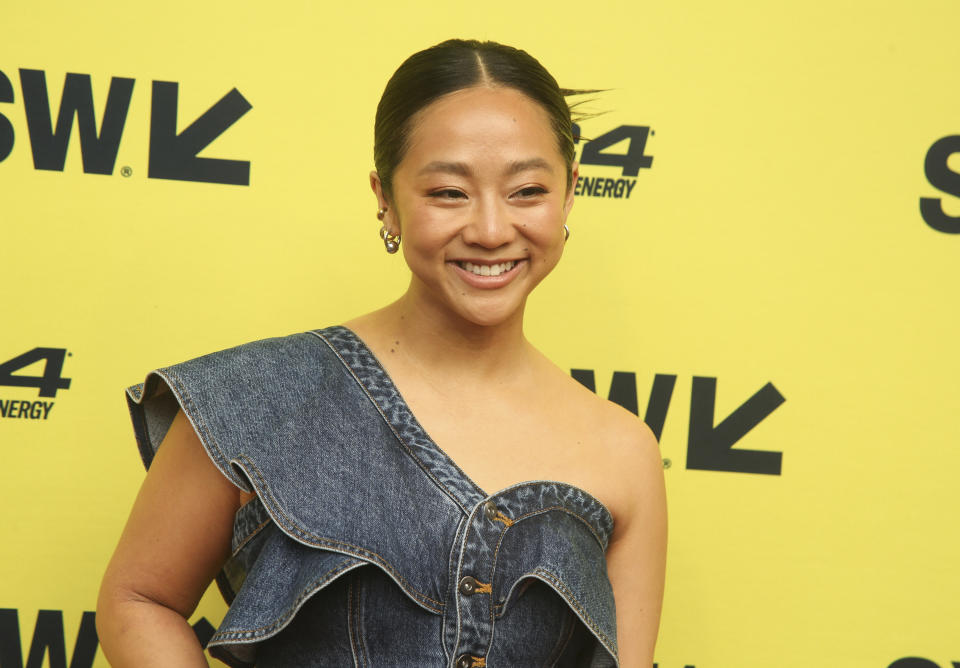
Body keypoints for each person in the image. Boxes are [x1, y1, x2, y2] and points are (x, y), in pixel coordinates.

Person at [96, 38, 667, 667]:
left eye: (527, 190)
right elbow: (139, 597)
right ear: (385, 199)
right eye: (449, 193)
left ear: (570, 193)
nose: (491, 229)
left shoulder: (623, 452)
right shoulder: (259, 395)